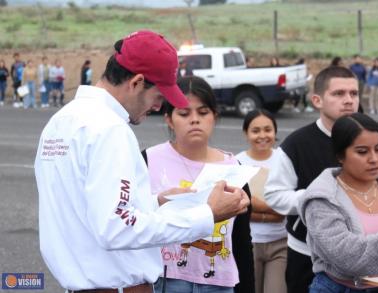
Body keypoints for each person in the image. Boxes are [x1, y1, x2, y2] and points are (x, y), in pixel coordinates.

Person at [34, 30, 250, 293]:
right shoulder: (109, 129)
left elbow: (90, 212)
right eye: (159, 97)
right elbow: (117, 229)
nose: (158, 108)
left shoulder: (61, 122)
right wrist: (206, 214)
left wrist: (155, 202)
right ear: (136, 83)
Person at [263, 66, 378, 293]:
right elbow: (274, 195)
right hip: (308, 254)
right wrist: (323, 201)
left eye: (354, 94)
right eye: (339, 94)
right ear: (317, 100)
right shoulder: (296, 144)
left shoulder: (376, 142)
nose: (348, 101)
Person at [143, 76, 254, 293]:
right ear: (168, 118)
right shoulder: (147, 161)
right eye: (184, 113)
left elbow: (241, 240)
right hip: (162, 281)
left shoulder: (234, 167)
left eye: (203, 113)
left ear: (215, 116)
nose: (194, 120)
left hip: (220, 284)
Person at [298, 113, 378, 292]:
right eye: (362, 152)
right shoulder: (321, 198)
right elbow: (348, 257)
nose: (374, 159)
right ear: (340, 155)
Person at [236, 109, 287, 293]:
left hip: (281, 243)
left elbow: (288, 204)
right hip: (249, 243)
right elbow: (239, 205)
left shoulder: (284, 159)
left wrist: (255, 207)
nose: (262, 135)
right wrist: (272, 213)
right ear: (246, 133)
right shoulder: (237, 162)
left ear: (275, 131)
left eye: (268, 129)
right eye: (255, 130)